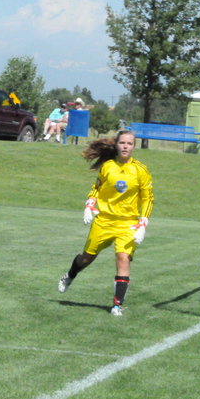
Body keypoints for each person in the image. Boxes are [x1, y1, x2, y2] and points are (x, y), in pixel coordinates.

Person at [57, 130, 154, 316]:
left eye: (129, 143)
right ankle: (70, 275)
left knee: (123, 258)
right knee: (86, 258)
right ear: (116, 145)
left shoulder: (141, 170)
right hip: (104, 221)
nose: (125, 146)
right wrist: (89, 204)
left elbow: (148, 198)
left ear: (134, 147)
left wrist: (143, 223)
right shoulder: (107, 167)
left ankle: (117, 306)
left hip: (128, 223)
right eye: (122, 143)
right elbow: (97, 188)